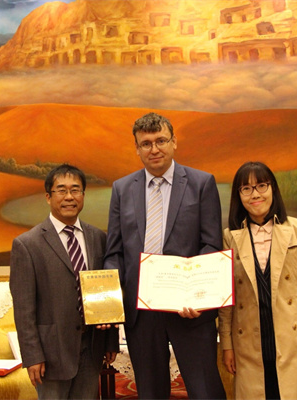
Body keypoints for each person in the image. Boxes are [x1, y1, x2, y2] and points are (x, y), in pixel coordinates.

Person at [104, 112, 226, 399]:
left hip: (190, 310)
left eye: (161, 140)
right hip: (141, 313)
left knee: (205, 391)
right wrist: (108, 301)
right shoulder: (122, 189)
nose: (154, 149)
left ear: (174, 142)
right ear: (137, 149)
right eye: (146, 143)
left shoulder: (201, 183)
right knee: (150, 393)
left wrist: (195, 296)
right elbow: (114, 252)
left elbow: (211, 246)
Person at [218, 161, 297, 400]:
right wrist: (227, 344)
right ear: (238, 196)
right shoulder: (229, 237)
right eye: (246, 189)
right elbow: (227, 298)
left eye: (261, 186)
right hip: (249, 341)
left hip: (292, 338)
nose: (255, 194)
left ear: (273, 189)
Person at [10, 164, 119, 399]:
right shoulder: (27, 244)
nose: (69, 197)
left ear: (83, 195)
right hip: (51, 352)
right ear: (48, 197)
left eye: (75, 190)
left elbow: (107, 288)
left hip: (91, 348)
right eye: (61, 190)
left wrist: (110, 341)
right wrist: (32, 356)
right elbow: (24, 309)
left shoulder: (98, 237)